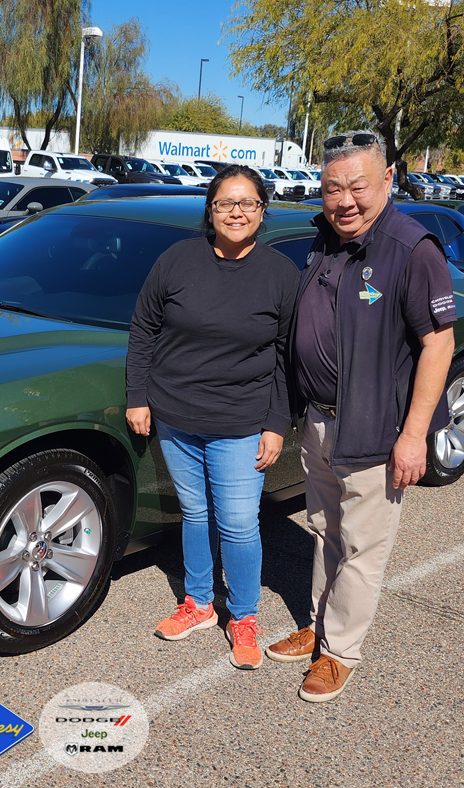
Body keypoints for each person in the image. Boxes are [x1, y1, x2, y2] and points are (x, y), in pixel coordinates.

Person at [266, 131, 456, 701]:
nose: (346, 199)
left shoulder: (411, 248)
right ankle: (320, 626)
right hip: (321, 425)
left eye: (358, 186)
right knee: (325, 530)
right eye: (333, 188)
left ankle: (341, 651)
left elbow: (438, 345)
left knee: (362, 547)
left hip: (376, 428)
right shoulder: (323, 241)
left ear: (388, 181)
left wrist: (415, 434)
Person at [126, 164, 299, 670]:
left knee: (240, 524)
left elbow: (289, 357)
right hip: (176, 417)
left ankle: (243, 615)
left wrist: (276, 423)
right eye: (226, 203)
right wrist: (139, 394)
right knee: (196, 514)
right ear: (211, 209)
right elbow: (144, 329)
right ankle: (200, 604)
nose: (237, 212)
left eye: (248, 203)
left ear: (263, 211)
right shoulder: (177, 260)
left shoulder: (279, 275)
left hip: (242, 422)